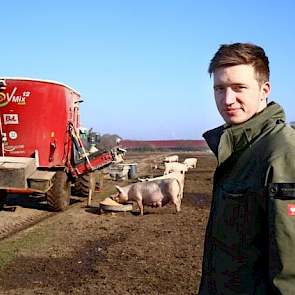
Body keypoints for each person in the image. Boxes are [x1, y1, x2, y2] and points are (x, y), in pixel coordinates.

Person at [198, 43, 295, 294]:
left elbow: (290, 269)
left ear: (264, 90)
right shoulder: (238, 149)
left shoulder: (281, 152)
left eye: (239, 88)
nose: (227, 99)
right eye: (220, 89)